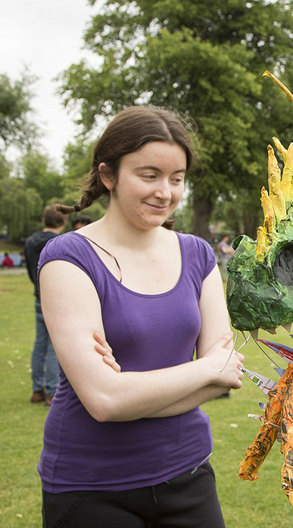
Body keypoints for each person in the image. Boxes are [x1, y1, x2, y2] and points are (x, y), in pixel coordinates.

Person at [38, 106, 244, 528]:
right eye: (149, 175)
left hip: (189, 473)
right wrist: (203, 369)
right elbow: (104, 401)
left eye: (177, 178)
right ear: (108, 175)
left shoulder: (198, 255)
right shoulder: (67, 258)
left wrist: (130, 393)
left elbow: (224, 381)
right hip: (91, 489)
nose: (165, 192)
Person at [24, 206, 68, 405]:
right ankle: (52, 391)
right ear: (63, 221)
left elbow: (29, 270)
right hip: (56, 298)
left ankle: (37, 389)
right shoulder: (60, 243)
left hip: (38, 296)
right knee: (53, 346)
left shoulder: (30, 241)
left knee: (40, 344)